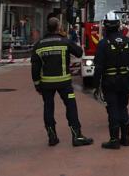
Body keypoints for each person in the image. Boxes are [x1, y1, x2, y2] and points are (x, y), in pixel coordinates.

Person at [31, 17, 93, 147]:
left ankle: (52, 136)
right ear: (59, 27)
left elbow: (35, 68)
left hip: (46, 83)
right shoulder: (64, 41)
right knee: (71, 107)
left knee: (48, 107)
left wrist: (37, 84)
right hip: (64, 83)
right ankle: (77, 136)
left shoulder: (39, 44)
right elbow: (79, 52)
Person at [93, 11, 129, 149]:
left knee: (112, 109)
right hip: (124, 81)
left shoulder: (102, 44)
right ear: (118, 25)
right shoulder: (128, 42)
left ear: (105, 26)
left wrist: (96, 85)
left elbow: (98, 67)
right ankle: (126, 138)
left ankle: (114, 140)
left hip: (109, 82)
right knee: (123, 107)